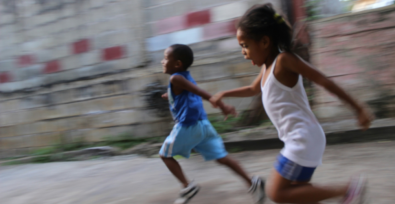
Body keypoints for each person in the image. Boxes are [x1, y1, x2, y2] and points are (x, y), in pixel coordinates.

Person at [209, 4, 373, 204]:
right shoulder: (267, 68)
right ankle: (347, 193)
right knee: (298, 193)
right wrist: (223, 93)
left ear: (264, 41)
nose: (243, 52)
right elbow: (253, 89)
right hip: (300, 138)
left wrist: (358, 109)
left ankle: (348, 190)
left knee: (276, 192)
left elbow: (323, 80)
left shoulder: (284, 61)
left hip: (302, 139)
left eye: (245, 45)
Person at [159, 44, 265, 204]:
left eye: (166, 58)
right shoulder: (184, 77)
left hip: (188, 126)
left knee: (165, 155)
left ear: (177, 64)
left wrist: (222, 104)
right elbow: (192, 92)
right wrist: (171, 96)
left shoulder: (175, 78)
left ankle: (187, 186)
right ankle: (252, 182)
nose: (162, 61)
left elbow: (201, 93)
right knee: (222, 157)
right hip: (204, 125)